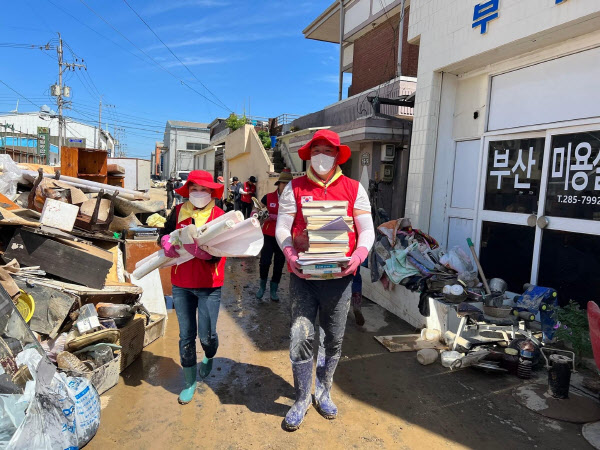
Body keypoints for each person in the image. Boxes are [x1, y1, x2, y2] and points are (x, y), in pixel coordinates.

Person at [275, 129, 375, 431]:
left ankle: (324, 390)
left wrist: (357, 258)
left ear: (337, 155)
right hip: (303, 277)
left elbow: (367, 230)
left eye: (328, 150)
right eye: (316, 149)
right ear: (308, 154)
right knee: (302, 337)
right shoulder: (294, 188)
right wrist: (290, 254)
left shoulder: (354, 188)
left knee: (333, 338)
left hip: (340, 278)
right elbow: (282, 228)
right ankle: (302, 397)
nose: (322, 155)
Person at [158, 170, 226, 405]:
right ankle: (189, 382)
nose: (199, 193)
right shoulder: (177, 212)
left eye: (204, 189)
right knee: (186, 335)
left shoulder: (220, 216)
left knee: (207, 335)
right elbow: (164, 233)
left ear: (211, 192)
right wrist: (164, 241)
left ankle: (208, 354)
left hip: (209, 284)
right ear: (187, 191)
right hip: (181, 284)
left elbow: (227, 247)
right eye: (194, 188)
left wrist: (209, 256)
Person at [255, 169, 293, 302]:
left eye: (290, 185)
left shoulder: (293, 200)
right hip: (268, 235)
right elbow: (257, 208)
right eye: (284, 184)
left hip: (284, 237)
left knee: (279, 263)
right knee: (264, 261)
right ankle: (262, 287)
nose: (287, 187)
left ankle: (273, 290)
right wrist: (257, 215)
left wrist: (277, 217)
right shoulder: (268, 197)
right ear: (279, 184)